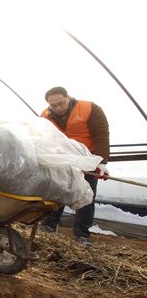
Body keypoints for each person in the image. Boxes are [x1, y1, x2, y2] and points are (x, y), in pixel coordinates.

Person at [40, 86, 110, 246]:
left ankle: (82, 235)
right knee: (56, 191)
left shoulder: (90, 109)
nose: (58, 108)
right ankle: (49, 226)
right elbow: (43, 137)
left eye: (61, 103)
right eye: (53, 105)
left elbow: (101, 134)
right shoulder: (45, 115)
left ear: (68, 98)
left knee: (86, 195)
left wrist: (102, 162)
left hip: (88, 159)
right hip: (62, 160)